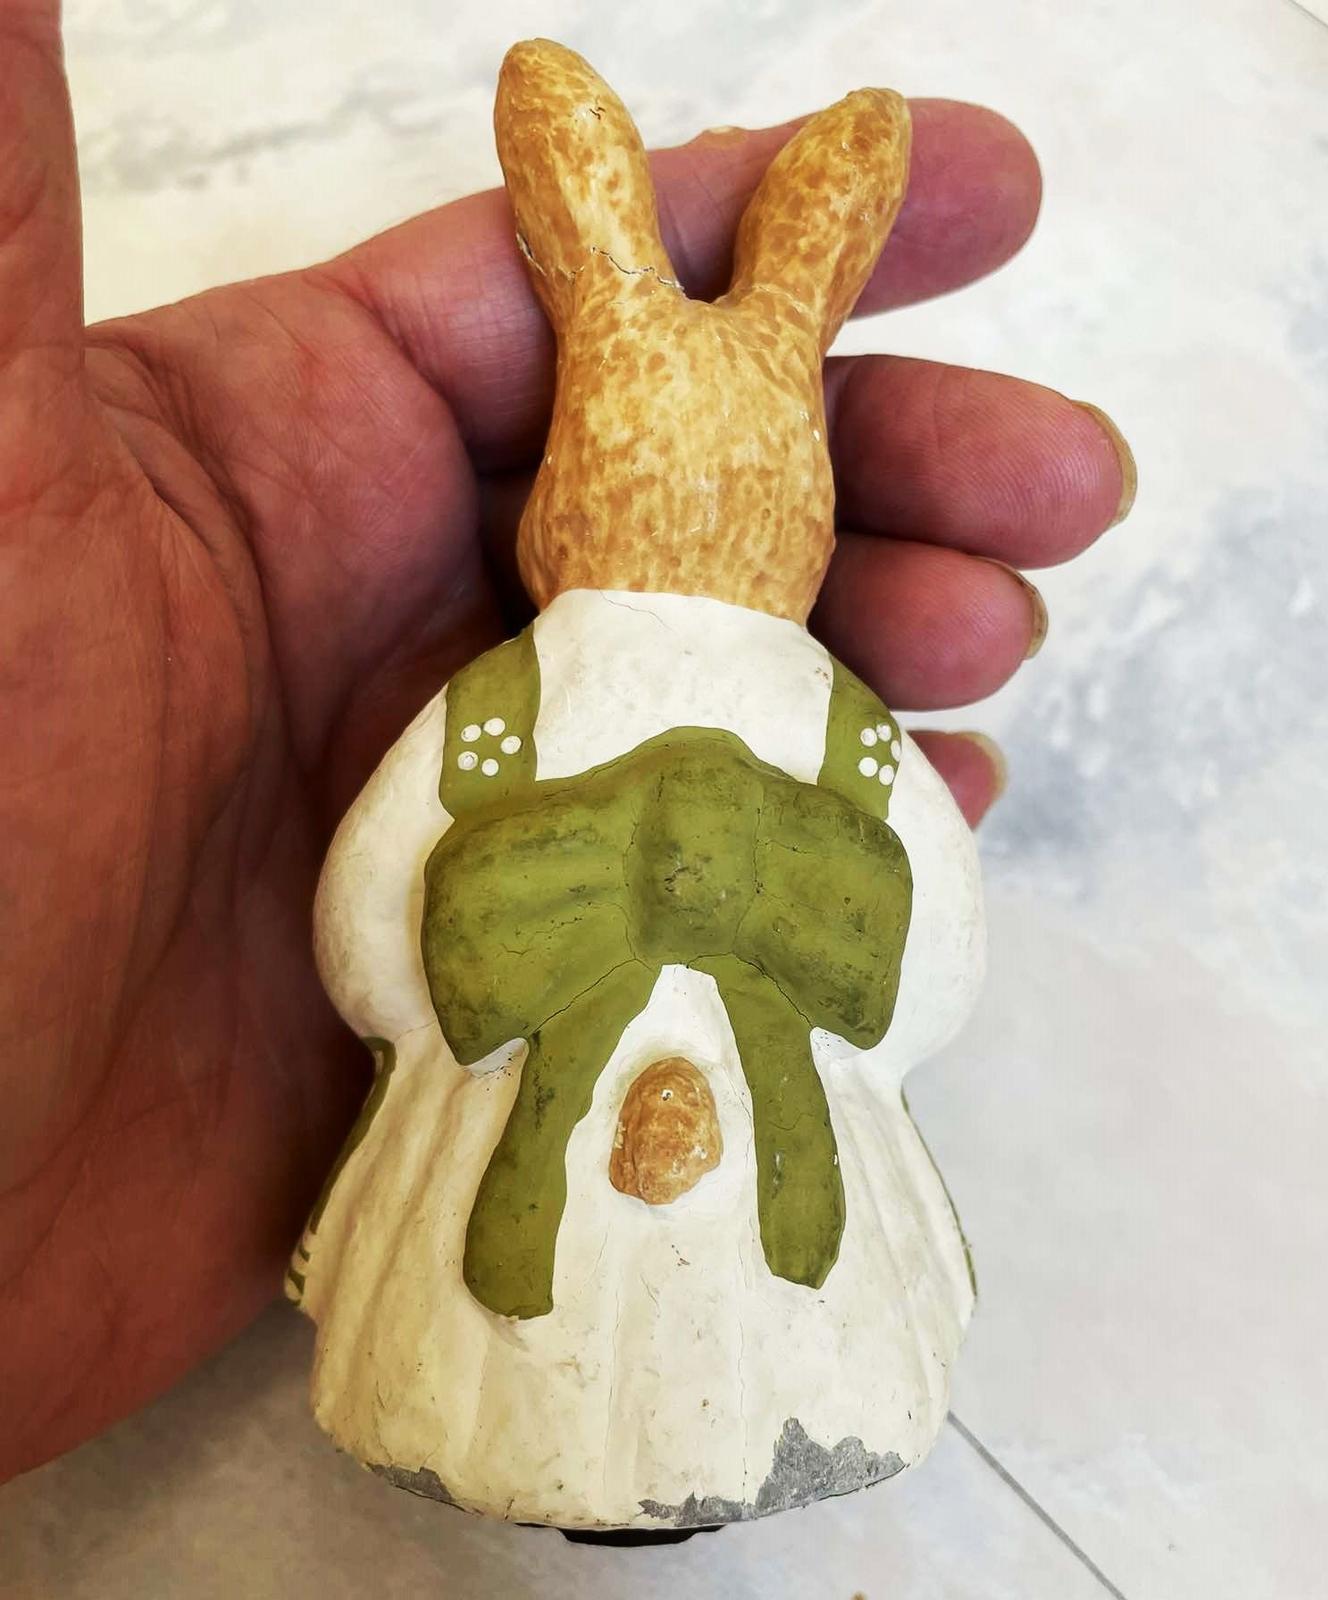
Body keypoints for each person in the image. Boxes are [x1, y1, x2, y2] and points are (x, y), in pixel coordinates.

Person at [0, 0, 1134, 1484]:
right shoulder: (537, 705)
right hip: (525, 1066)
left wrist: (858, 999)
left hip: (758, 1079)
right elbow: (379, 917)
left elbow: (916, 948)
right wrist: (429, 991)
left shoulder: (767, 721)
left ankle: (799, 1400)